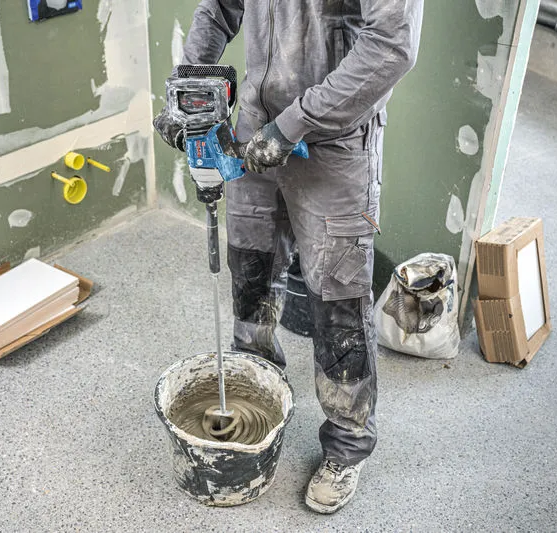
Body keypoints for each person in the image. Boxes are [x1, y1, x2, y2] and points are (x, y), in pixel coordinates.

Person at [154, 0, 423, 514]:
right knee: (251, 274)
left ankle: (347, 445)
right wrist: (188, 86)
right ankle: (258, 397)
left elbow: (391, 45)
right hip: (255, 128)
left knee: (336, 298)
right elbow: (218, 10)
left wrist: (296, 123)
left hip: (335, 139)